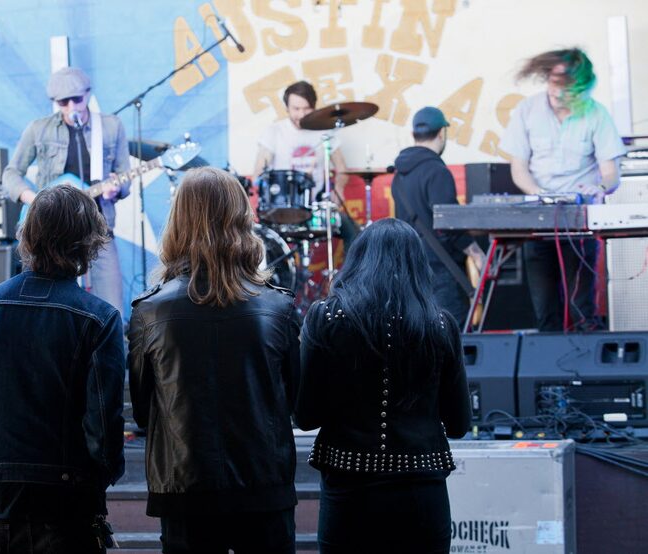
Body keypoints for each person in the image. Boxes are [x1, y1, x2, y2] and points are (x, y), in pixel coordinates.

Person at [0, 185, 126, 554]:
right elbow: (103, 428)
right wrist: (100, 477)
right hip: (69, 507)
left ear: (28, 237)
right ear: (87, 244)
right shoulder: (100, 319)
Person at [129, 167, 300, 553]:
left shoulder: (149, 311)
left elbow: (143, 413)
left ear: (177, 223)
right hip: (264, 490)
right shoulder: (279, 305)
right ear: (243, 219)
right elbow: (295, 404)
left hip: (185, 491)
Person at [296, 218, 471, 553]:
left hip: (349, 488)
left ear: (358, 259)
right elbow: (460, 423)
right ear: (418, 265)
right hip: (422, 490)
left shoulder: (326, 319)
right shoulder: (439, 324)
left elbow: (305, 416)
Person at [500, 48, 626, 331]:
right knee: (545, 308)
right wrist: (541, 193)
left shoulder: (596, 113)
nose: (559, 95)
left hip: (579, 218)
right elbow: (518, 168)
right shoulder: (526, 110)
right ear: (547, 78)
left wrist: (599, 188)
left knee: (582, 308)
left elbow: (611, 173)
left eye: (567, 89)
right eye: (555, 86)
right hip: (539, 215)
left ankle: (584, 366)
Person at [3, 66, 131, 317]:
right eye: (63, 102)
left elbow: (124, 178)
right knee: (45, 310)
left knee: (111, 308)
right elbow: (10, 174)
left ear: (88, 94)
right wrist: (34, 198)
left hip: (98, 230)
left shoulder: (111, 126)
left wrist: (114, 189)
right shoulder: (38, 129)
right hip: (50, 235)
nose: (71, 106)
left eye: (77, 99)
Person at [391, 106, 485, 328]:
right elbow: (448, 224)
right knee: (454, 336)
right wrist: (475, 252)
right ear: (442, 133)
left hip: (410, 269)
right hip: (441, 270)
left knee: (422, 338)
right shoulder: (437, 172)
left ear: (414, 134)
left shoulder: (398, 176)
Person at [253, 80, 357, 248]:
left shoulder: (325, 131)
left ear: (314, 107)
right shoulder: (274, 132)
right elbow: (258, 174)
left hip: (315, 208)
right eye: (296, 109)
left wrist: (338, 190)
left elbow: (342, 169)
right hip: (280, 208)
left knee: (353, 232)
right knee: (263, 243)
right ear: (286, 108)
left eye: (306, 108)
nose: (301, 114)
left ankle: (353, 275)